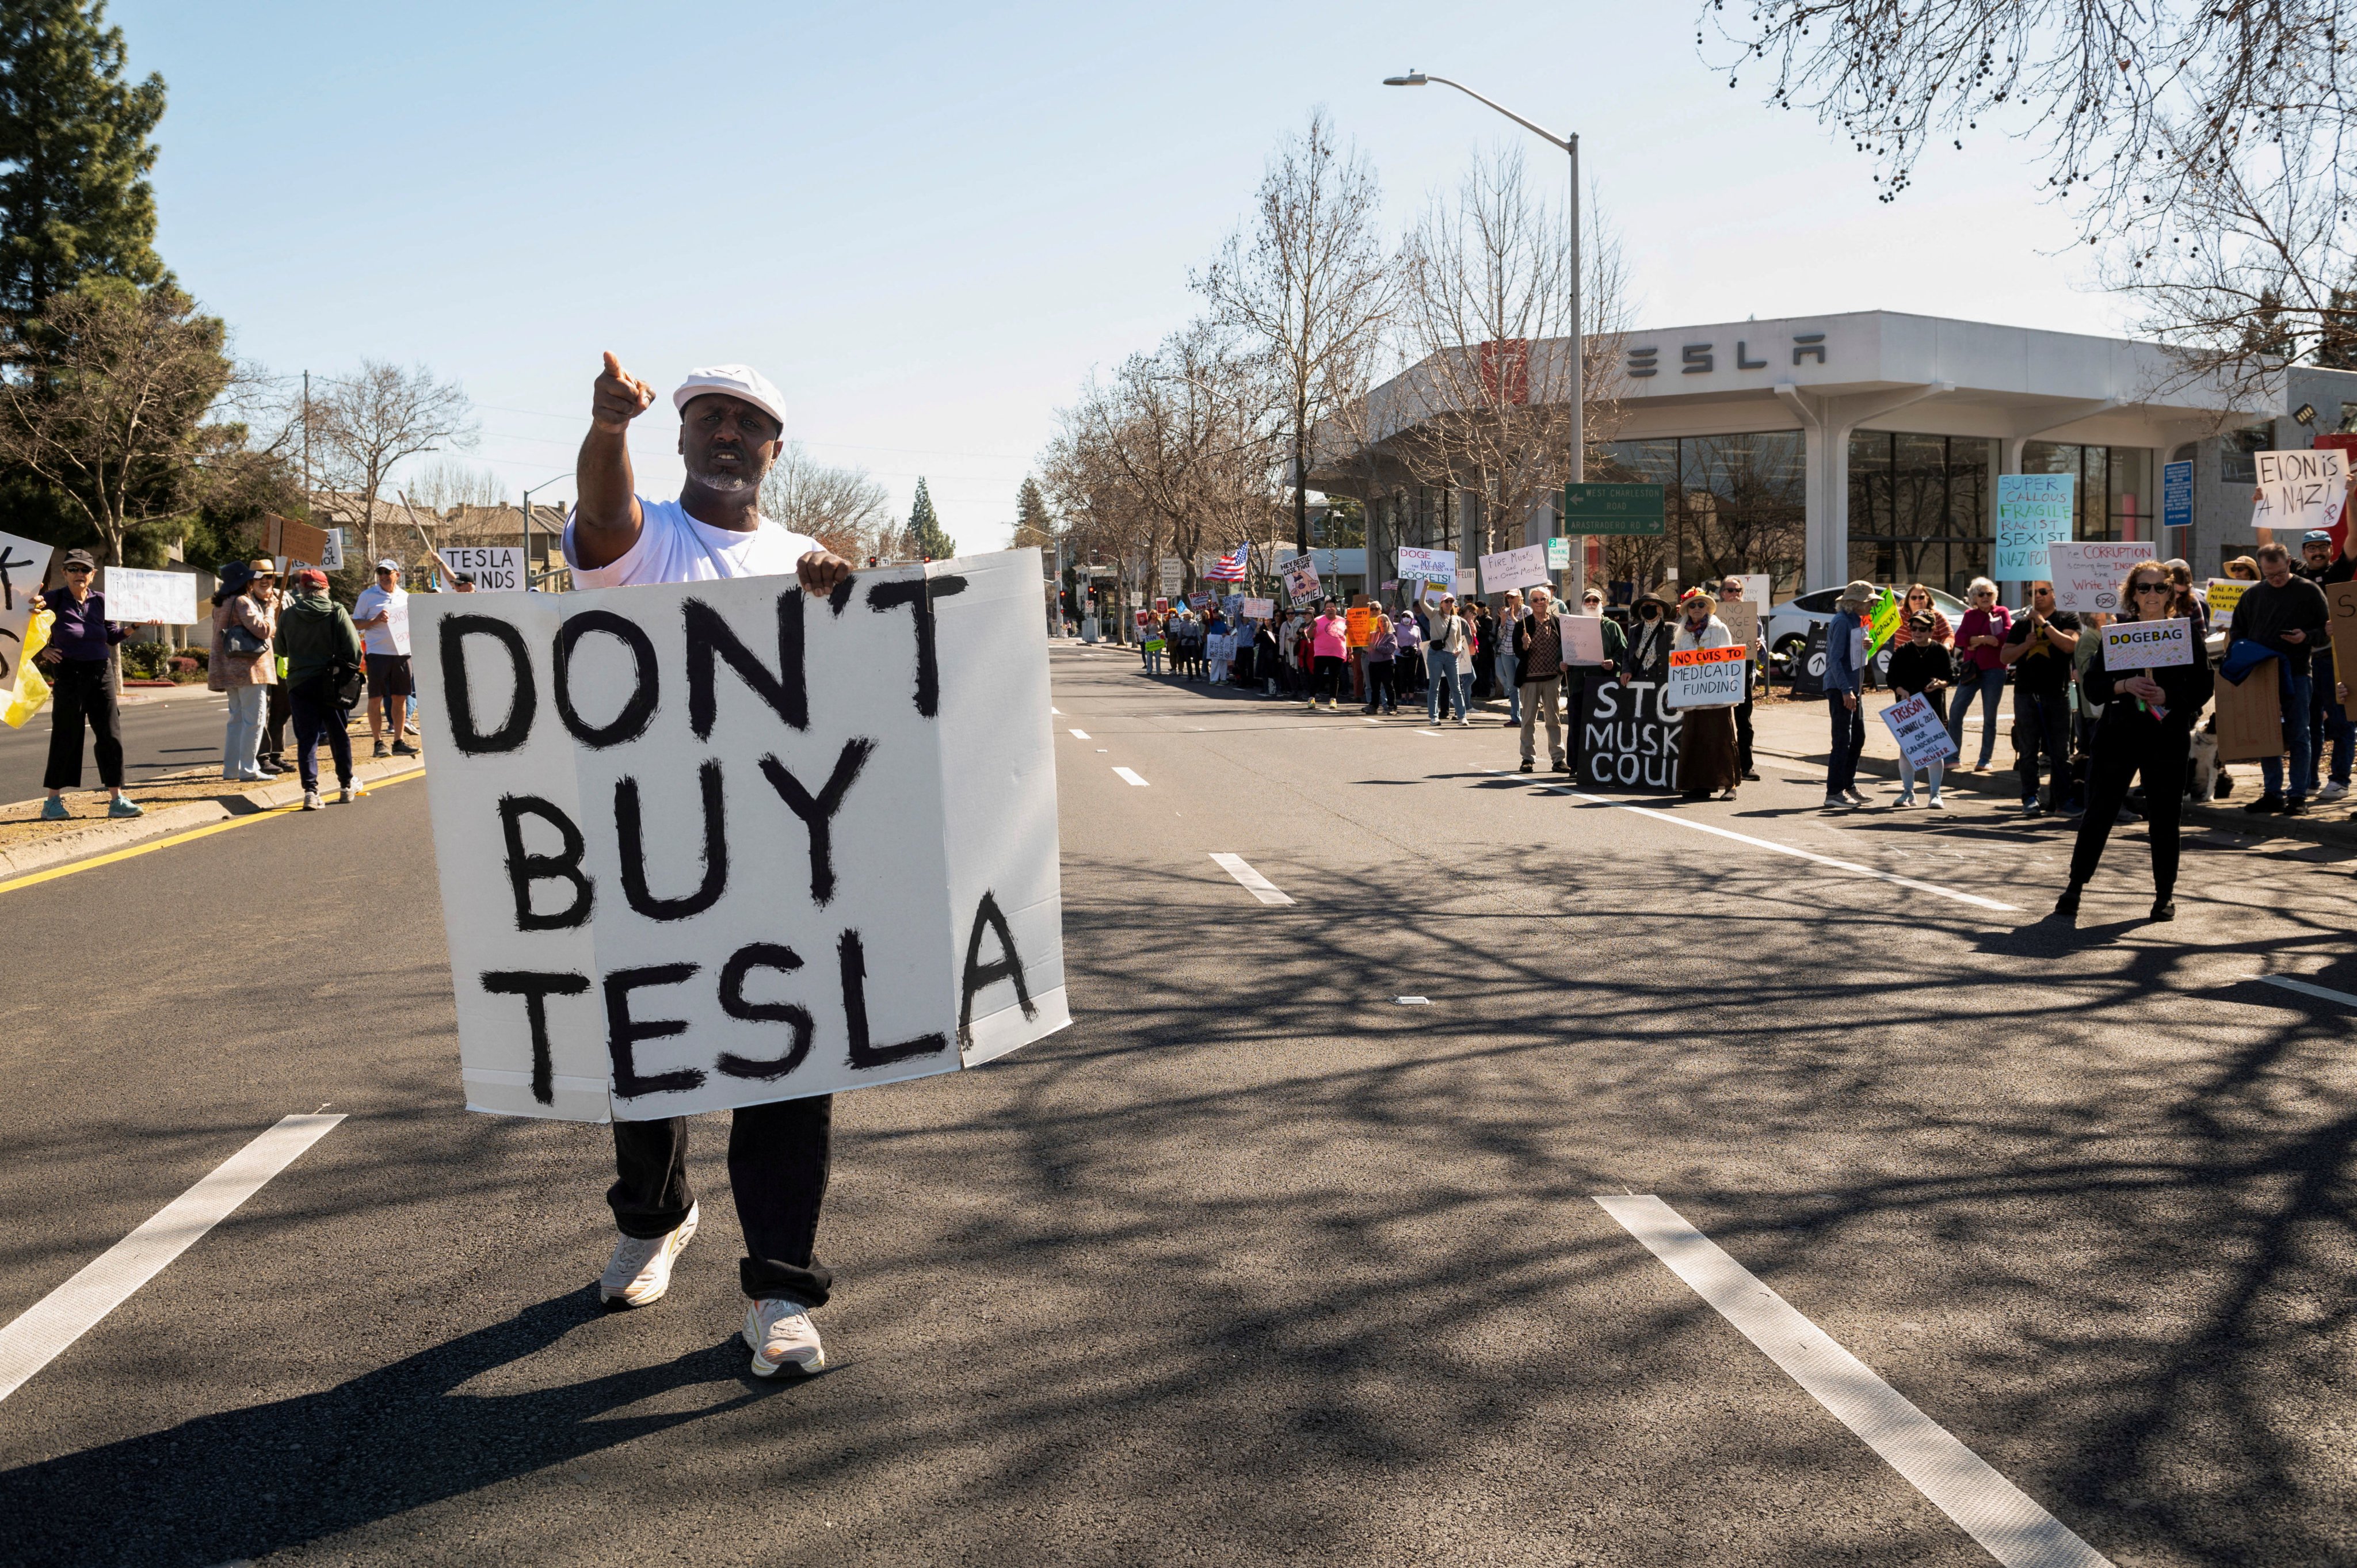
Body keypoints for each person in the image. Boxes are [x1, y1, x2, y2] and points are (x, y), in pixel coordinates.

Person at [565, 353, 858, 1378]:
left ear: (776, 450)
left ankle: (781, 1287)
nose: (728, 433)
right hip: (652, 859)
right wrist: (609, 430)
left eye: (749, 422)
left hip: (781, 864)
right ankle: (654, 1216)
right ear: (682, 439)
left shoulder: (805, 554)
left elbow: (857, 700)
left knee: (790, 1075)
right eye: (709, 418)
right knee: (649, 1067)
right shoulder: (644, 540)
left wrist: (841, 596)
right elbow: (600, 522)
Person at [2054, 561, 2215, 922]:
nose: (2152, 595)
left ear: (2172, 592)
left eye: (2160, 588)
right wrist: (2124, 686)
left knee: (2164, 818)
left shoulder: (2185, 635)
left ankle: (2164, 896)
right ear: (2133, 593)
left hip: (2166, 738)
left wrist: (2168, 695)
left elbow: (2203, 688)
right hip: (2119, 736)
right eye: (2144, 588)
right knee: (2099, 811)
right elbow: (2093, 687)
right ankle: (2075, 888)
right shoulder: (2119, 633)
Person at [31, 549, 139, 821]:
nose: (79, 574)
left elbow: (112, 637)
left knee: (110, 735)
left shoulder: (102, 601)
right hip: (69, 673)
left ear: (93, 575)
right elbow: (26, 623)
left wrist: (134, 626)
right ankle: (52, 803)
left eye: (84, 570)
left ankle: (117, 799)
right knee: (67, 735)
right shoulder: (54, 599)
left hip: (101, 673)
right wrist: (43, 649)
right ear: (64, 573)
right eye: (74, 569)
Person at [2228, 540, 2330, 815]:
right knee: (2267, 734)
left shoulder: (2309, 591)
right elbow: (2237, 631)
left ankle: (2298, 795)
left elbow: (2327, 630)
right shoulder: (2253, 595)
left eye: (2280, 574)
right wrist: (2245, 652)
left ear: (2289, 564)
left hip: (2297, 673)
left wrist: (2305, 637)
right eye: (2268, 575)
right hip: (2262, 673)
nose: (2275, 580)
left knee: (2299, 734)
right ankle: (2272, 793)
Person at [276, 569, 364, 809]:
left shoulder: (288, 615)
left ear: (301, 589)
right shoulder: (337, 611)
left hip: (300, 683)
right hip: (332, 684)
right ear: (325, 588)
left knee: (307, 739)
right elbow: (355, 650)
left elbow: (281, 650)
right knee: (338, 734)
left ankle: (311, 792)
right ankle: (346, 785)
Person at [2000, 581, 2079, 814]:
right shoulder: (2023, 624)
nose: (2037, 596)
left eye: (2043, 591)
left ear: (2055, 594)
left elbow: (2069, 646)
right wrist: (2026, 645)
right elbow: (2005, 657)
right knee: (2028, 751)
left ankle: (2062, 801)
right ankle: (2030, 798)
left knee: (2061, 752)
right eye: (2032, 592)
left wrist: (2044, 624)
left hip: (2057, 693)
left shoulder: (2067, 619)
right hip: (2026, 694)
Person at [2294, 528, 2352, 801]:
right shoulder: (2297, 575)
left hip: (2335, 660)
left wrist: (2351, 500)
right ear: (2303, 553)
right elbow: (2267, 546)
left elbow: (2354, 541)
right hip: (2306, 662)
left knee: (2342, 721)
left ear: (2331, 550)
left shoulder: (2337, 573)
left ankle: (2340, 780)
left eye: (2322, 547)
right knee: (2309, 724)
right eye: (2311, 547)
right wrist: (2261, 508)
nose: (2317, 552)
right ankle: (2309, 779)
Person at [208, 559, 279, 782]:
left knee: (236, 720)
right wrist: (270, 610)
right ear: (245, 582)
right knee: (254, 720)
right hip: (250, 669)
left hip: (229, 668)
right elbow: (263, 630)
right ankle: (248, 768)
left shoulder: (221, 604)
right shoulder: (242, 602)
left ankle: (231, 769)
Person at [1672, 589, 1740, 800]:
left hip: (1716, 697)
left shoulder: (1719, 629)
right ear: (1687, 610)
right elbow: (1680, 665)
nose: (1697, 609)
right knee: (1695, 739)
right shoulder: (1682, 633)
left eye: (1701, 605)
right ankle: (1699, 785)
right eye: (1692, 606)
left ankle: (1731, 785)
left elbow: (1728, 661)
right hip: (1694, 698)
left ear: (1707, 608)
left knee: (1722, 738)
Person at [1886, 611, 1954, 808]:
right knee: (1907, 751)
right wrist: (1901, 691)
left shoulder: (1940, 651)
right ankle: (1908, 792)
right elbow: (1891, 679)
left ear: (1931, 630)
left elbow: (1949, 677)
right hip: (1908, 709)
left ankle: (1935, 794)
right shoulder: (1902, 651)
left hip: (1932, 707)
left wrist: (1939, 683)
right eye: (1913, 628)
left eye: (1922, 629)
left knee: (1935, 750)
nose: (1917, 632)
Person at [351, 560, 414, 759]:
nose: (384, 576)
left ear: (397, 574)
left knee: (400, 698)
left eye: (388, 572)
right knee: (375, 698)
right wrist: (375, 620)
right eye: (380, 572)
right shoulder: (368, 596)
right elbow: (356, 623)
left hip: (403, 654)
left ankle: (398, 741)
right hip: (378, 654)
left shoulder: (405, 597)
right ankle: (378, 743)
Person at [1946, 577, 2010, 770]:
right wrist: (1984, 639)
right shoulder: (1970, 614)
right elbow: (1960, 638)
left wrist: (1977, 641)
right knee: (1956, 712)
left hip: (1995, 670)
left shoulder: (2002, 612)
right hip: (1971, 670)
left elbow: (2006, 635)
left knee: (1990, 715)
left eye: (1988, 593)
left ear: (1994, 596)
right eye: (1980, 594)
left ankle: (1985, 759)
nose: (1985, 597)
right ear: (1973, 597)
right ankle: (1953, 756)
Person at [1822, 579, 1872, 810]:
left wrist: (1866, 647)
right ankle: (1834, 792)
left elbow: (1853, 656)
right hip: (1841, 688)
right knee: (1842, 740)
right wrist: (1845, 690)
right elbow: (1834, 660)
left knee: (1857, 737)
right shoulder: (1842, 622)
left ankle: (1848, 785)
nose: (1871, 605)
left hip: (1852, 688)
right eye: (1868, 601)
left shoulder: (1856, 620)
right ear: (1855, 603)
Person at [1513, 586, 1569, 772]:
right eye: (1535, 600)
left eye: (1542, 599)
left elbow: (1564, 648)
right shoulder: (1523, 625)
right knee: (1528, 719)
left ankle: (1558, 759)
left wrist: (1562, 668)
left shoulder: (1557, 622)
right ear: (1530, 603)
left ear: (1549, 601)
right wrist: (1525, 646)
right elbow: (1518, 652)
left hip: (1552, 678)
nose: (1539, 603)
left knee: (1553, 719)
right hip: (1529, 679)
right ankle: (1527, 758)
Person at [1715, 577, 1765, 779]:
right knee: (1720, 721)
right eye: (1730, 590)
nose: (1735, 594)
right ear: (1722, 594)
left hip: (1743, 672)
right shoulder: (1714, 615)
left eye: (1739, 590)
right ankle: (1722, 766)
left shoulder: (1751, 615)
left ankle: (1746, 766)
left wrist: (1759, 644)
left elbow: (1761, 640)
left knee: (1744, 722)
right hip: (1719, 674)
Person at [1425, 594, 1473, 725]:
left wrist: (1458, 649)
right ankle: (1434, 717)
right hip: (1436, 655)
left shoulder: (1456, 619)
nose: (1449, 603)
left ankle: (1462, 716)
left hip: (1451, 656)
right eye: (1446, 601)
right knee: (1434, 686)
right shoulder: (1434, 615)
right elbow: (1422, 603)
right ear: (1441, 604)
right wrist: (1425, 587)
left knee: (1456, 687)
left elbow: (1458, 639)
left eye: (1452, 601)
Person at [1307, 597, 1349, 710]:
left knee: (1334, 677)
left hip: (1337, 653)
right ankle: (1312, 698)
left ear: (1336, 609)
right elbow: (1309, 636)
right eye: (1327, 608)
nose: (1330, 610)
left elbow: (1349, 637)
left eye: (1332, 608)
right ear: (1325, 610)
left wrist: (1351, 652)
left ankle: (1333, 699)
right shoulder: (1318, 620)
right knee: (1317, 676)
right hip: (1321, 653)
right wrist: (1312, 627)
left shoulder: (1344, 621)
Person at [1625, 592, 1675, 685]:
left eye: (1653, 605)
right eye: (1645, 605)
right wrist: (1626, 671)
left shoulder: (1671, 629)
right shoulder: (1634, 630)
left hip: (1663, 683)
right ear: (1641, 609)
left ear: (1660, 609)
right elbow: (1627, 654)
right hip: (1638, 682)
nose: (1649, 608)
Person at [1890, 583, 1952, 650]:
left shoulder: (1937, 616)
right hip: (1902, 658)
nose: (1918, 600)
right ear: (1908, 600)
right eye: (1914, 598)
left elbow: (1948, 635)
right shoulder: (1898, 614)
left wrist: (1945, 649)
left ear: (1927, 599)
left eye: (1921, 597)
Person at [1494, 589, 1524, 726]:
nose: (1510, 600)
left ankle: (1528, 716)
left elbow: (1526, 631)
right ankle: (1515, 717)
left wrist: (1513, 619)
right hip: (1507, 652)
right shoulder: (1505, 612)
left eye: (1513, 597)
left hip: (1521, 653)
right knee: (1513, 686)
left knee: (1523, 685)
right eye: (1508, 598)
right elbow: (1501, 635)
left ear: (1520, 598)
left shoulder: (1527, 611)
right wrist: (1503, 622)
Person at [1361, 608, 1398, 714]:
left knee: (1388, 686)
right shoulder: (1373, 634)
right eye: (1381, 621)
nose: (1383, 623)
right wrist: (1350, 626)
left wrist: (1376, 647)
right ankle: (1374, 706)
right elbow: (1361, 633)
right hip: (1374, 664)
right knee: (1375, 687)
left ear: (1389, 623)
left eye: (1385, 621)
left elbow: (1389, 649)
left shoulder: (1392, 636)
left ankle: (1392, 707)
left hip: (1386, 664)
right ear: (1378, 624)